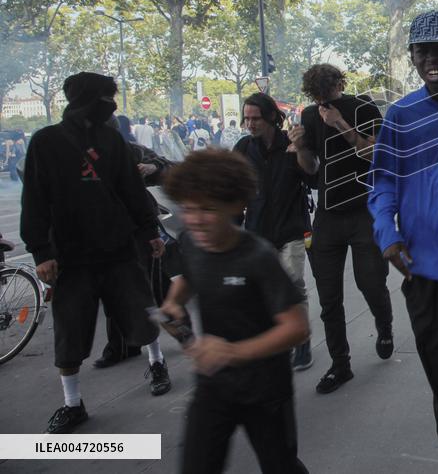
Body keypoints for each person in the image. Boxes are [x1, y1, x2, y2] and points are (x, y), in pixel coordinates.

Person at [20, 72, 170, 434]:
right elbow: (35, 200)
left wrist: (150, 231)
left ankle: (157, 362)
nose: (113, 105)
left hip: (118, 248)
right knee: (70, 331)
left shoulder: (112, 140)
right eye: (108, 98)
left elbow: (132, 190)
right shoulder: (46, 142)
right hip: (70, 256)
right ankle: (73, 404)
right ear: (89, 100)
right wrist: (41, 251)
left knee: (141, 311)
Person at [368, 11, 438, 473]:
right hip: (425, 267)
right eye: (422, 50)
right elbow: (382, 183)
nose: (431, 57)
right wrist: (388, 236)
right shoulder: (401, 115)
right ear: (412, 57)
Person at [160, 149, 309, 474]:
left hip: (266, 389)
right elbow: (189, 276)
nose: (196, 219)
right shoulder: (192, 242)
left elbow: (297, 327)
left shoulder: (258, 256)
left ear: (235, 206)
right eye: (188, 208)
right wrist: (174, 302)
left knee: (280, 465)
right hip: (214, 384)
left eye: (208, 209)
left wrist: (232, 351)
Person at [295, 64, 393, 393]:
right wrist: (301, 148)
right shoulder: (309, 116)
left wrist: (340, 124)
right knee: (329, 297)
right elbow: (309, 168)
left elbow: (375, 153)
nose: (323, 99)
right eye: (317, 94)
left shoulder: (363, 107)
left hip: (365, 209)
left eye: (328, 89)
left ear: (340, 83)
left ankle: (384, 322)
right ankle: (341, 364)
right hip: (328, 214)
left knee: (370, 281)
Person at [234, 93, 315, 371]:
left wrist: (302, 148)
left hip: (291, 228)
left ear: (271, 117)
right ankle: (275, 339)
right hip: (257, 232)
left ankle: (301, 340)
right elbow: (234, 191)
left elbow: (312, 175)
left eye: (255, 118)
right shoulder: (243, 148)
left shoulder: (290, 144)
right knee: (262, 291)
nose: (250, 124)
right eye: (246, 118)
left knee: (293, 284)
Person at [94, 118, 176, 368]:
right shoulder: (78, 155)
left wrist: (151, 168)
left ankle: (182, 331)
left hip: (140, 228)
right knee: (112, 290)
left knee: (155, 286)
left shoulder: (130, 150)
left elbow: (166, 167)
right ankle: (121, 346)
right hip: (104, 231)